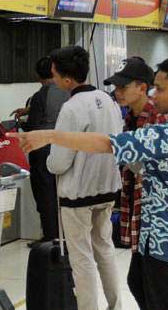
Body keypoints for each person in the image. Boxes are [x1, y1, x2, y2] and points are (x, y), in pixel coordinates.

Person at [10, 57, 168, 310]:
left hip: (166, 249)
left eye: (160, 89)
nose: (153, 94)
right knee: (139, 282)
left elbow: (107, 144)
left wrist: (49, 135)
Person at [46, 46, 123, 310]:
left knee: (82, 259)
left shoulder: (72, 108)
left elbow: (58, 162)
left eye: (54, 75)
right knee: (105, 249)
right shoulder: (110, 101)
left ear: (67, 80)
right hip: (108, 188)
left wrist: (48, 160)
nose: (53, 80)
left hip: (78, 195)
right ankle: (116, 305)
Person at [104, 56, 168, 309]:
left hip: (157, 216)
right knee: (139, 281)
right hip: (139, 209)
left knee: (148, 283)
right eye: (116, 87)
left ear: (142, 87)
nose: (117, 92)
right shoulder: (131, 117)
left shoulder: (157, 118)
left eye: (123, 87)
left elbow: (156, 167)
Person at [11, 56, 69, 245]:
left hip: (43, 152)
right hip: (65, 148)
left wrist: (23, 124)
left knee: (45, 193)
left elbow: (34, 128)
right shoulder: (66, 91)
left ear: (38, 75)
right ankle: (63, 233)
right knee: (60, 192)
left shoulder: (40, 95)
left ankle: (50, 235)